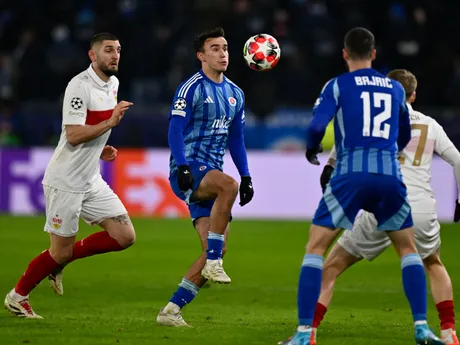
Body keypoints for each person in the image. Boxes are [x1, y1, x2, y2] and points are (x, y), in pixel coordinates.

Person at [281, 28, 444, 345]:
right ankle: (422, 327)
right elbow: (403, 132)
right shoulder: (395, 89)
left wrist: (312, 147)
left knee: (316, 248)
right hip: (388, 176)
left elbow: (316, 125)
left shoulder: (338, 85)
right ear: (373, 53)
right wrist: (390, 151)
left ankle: (303, 334)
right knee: (408, 250)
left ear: (344, 53)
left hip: (351, 175)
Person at [304, 69, 459, 345]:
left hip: (384, 197)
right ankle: (448, 332)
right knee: (432, 263)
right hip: (421, 206)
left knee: (331, 265)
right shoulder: (431, 125)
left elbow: (351, 141)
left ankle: (309, 332)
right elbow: (457, 160)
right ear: (413, 93)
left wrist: (330, 165)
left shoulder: (372, 117)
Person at [4, 33, 135, 319]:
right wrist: (110, 122)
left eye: (118, 50)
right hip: (66, 181)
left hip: (91, 179)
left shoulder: (112, 83)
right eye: (108, 50)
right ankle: (17, 296)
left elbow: (89, 130)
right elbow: (73, 135)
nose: (115, 55)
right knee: (59, 252)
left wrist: (100, 148)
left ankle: (58, 259)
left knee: (125, 236)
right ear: (93, 55)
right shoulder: (78, 87)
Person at [157, 27, 254, 327]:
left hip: (212, 173)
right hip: (189, 169)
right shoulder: (191, 88)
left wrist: (247, 175)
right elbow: (175, 129)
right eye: (215, 48)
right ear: (201, 56)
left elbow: (236, 140)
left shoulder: (235, 94)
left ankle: (171, 310)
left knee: (216, 248)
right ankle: (214, 262)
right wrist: (183, 166)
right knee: (229, 187)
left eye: (225, 47)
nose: (223, 53)